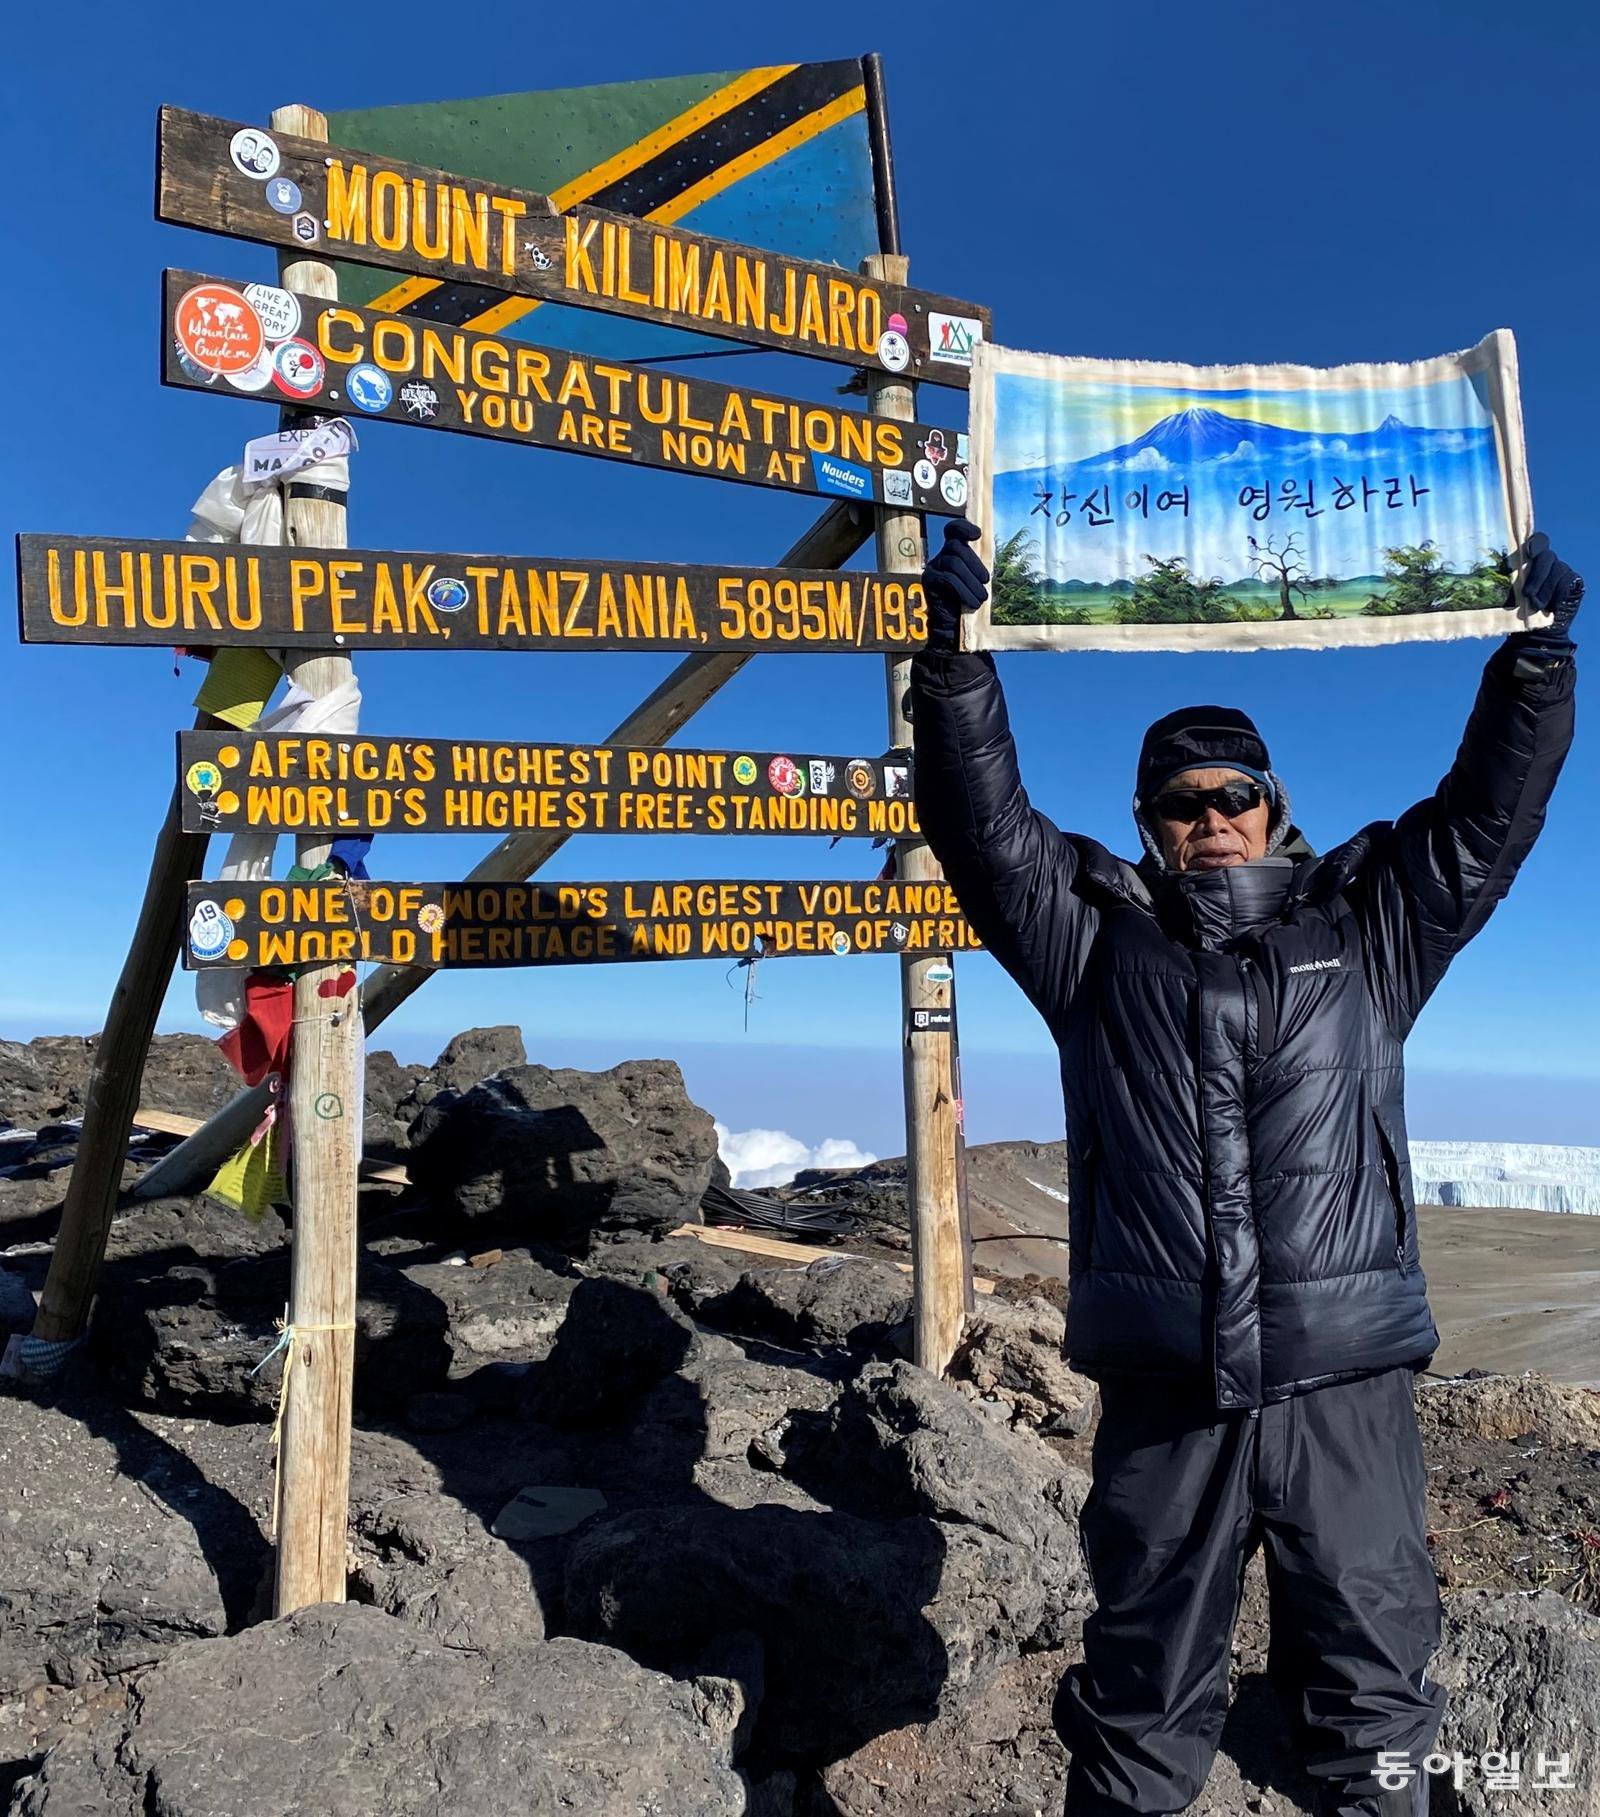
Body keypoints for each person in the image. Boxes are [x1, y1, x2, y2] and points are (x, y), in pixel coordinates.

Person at [909, 521, 1580, 1817]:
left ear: (1274, 804)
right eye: (1183, 800)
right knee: (1142, 1689)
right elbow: (978, 824)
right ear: (1150, 825)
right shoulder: (1092, 945)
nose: (1213, 818)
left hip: (1345, 1386)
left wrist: (1535, 666)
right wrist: (952, 666)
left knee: (1376, 1692)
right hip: (1171, 1390)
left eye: (1235, 794)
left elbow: (1489, 820)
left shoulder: (1370, 924)